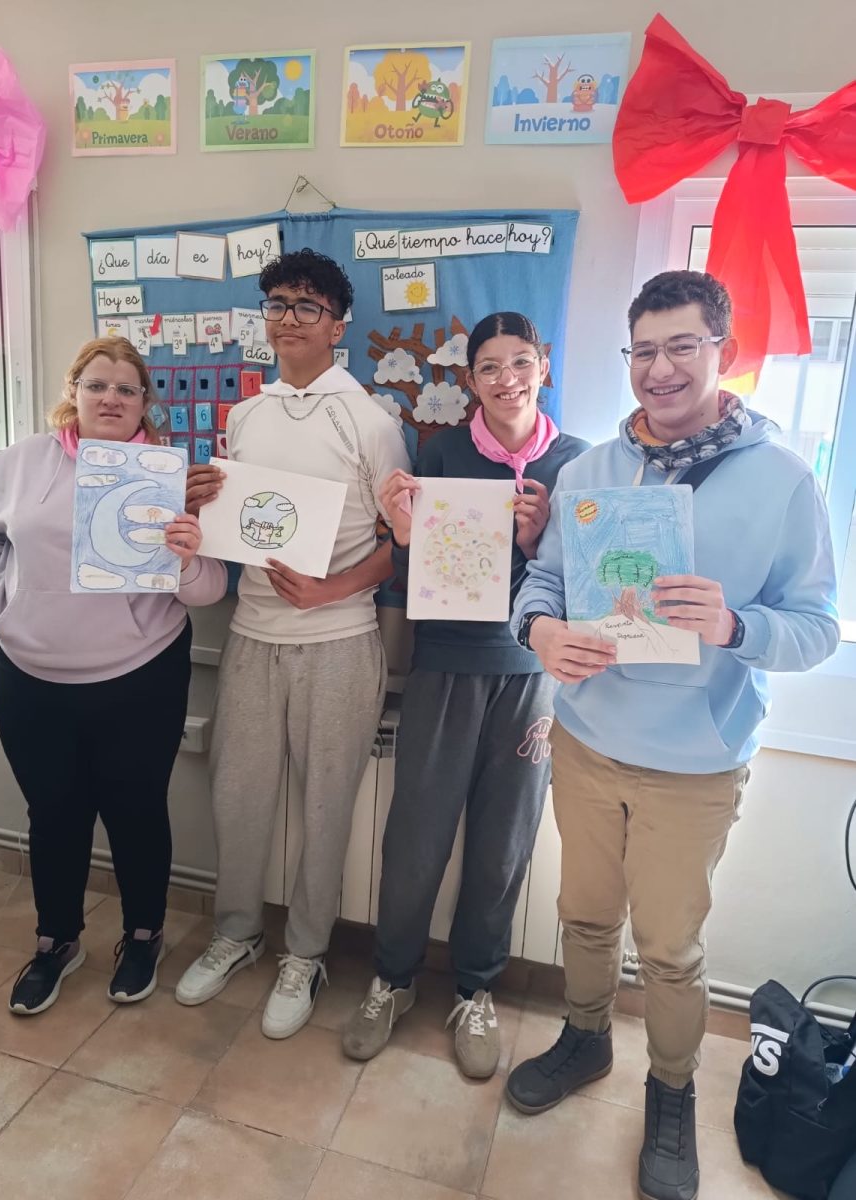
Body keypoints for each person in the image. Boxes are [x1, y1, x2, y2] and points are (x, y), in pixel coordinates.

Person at [507, 271, 840, 1200]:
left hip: (694, 766)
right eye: (644, 350)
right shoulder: (589, 472)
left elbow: (816, 628)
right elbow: (544, 583)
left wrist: (734, 626)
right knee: (583, 916)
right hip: (586, 742)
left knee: (668, 950)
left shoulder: (782, 480)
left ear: (722, 351)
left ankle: (671, 1090)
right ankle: (584, 1038)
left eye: (682, 346)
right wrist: (542, 632)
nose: (660, 369)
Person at [341, 312, 589, 1078]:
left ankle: (476, 988)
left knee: (503, 842)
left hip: (529, 677)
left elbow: (591, 583)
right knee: (416, 835)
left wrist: (537, 542)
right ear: (471, 379)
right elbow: (415, 574)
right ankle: (392, 978)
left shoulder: (579, 463)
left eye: (520, 362)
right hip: (444, 665)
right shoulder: (442, 452)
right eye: (489, 367)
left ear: (543, 367)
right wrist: (404, 533)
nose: (506, 379)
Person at [176, 249, 410, 1038]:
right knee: (237, 798)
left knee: (325, 806)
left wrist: (330, 589)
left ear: (338, 326)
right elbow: (237, 523)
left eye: (307, 306)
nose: (287, 319)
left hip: (339, 643)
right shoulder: (245, 415)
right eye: (276, 304)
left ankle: (305, 953)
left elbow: (402, 543)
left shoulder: (370, 421)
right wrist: (200, 502)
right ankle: (237, 934)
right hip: (251, 636)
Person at [0, 337, 225, 1015]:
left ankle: (144, 936)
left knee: (137, 810)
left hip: (139, 675)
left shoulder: (171, 476)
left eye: (127, 388)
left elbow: (208, 590)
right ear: (73, 391)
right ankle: (57, 941)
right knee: (52, 813)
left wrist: (186, 559)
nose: (111, 398)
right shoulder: (19, 463)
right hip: (29, 676)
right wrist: (9, 574)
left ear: (145, 402)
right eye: (97, 384)